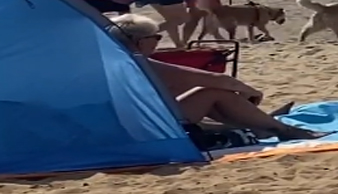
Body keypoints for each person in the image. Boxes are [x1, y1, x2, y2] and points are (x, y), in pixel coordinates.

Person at [108, 14, 323, 141]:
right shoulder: (135, 62)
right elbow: (215, 79)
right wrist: (252, 92)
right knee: (211, 92)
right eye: (155, 37)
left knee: (191, 96)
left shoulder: (112, 61)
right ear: (139, 41)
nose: (157, 41)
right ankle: (283, 129)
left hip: (126, 123)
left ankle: (260, 125)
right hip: (145, 126)